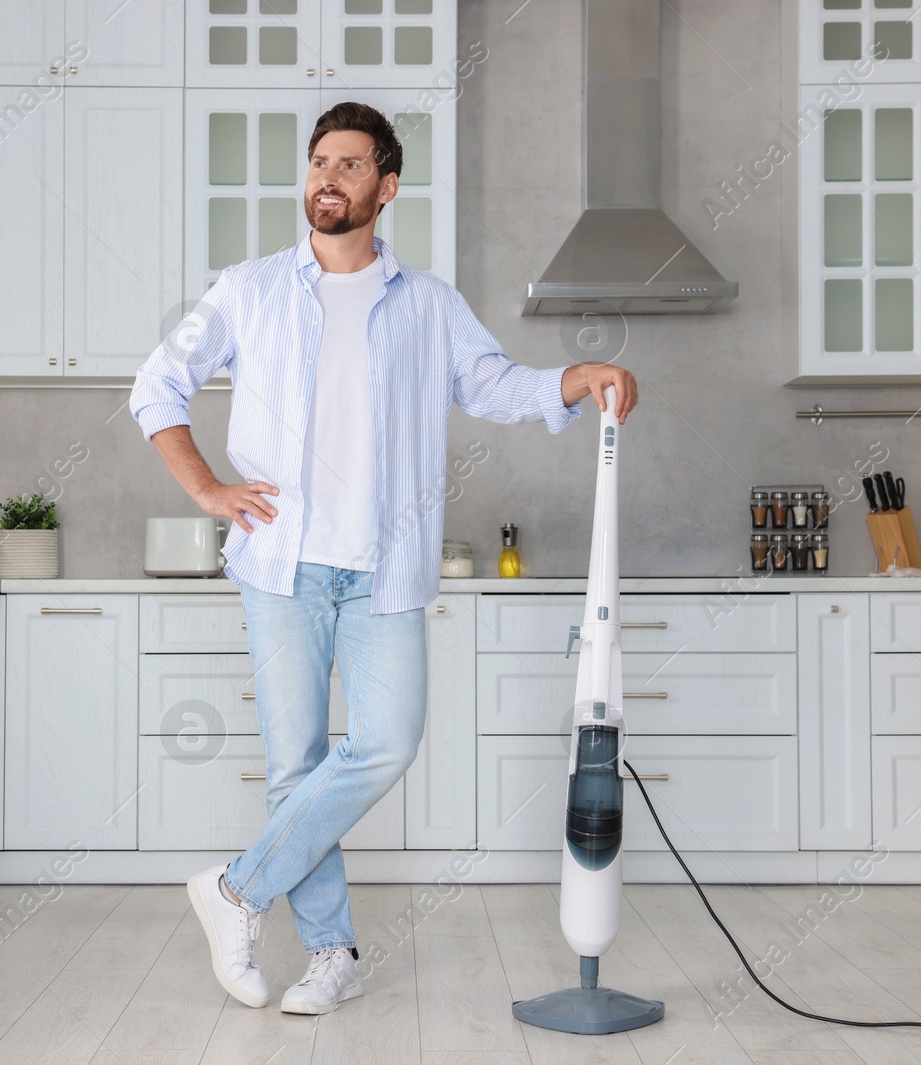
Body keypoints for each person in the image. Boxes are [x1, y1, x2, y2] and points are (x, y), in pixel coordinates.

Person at [129, 101, 638, 1015]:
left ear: (386, 186)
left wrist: (575, 378)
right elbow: (156, 385)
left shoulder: (429, 303)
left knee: (386, 742)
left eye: (350, 164)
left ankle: (236, 890)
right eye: (319, 160)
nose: (327, 176)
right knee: (296, 765)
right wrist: (208, 490)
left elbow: (494, 384)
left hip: (386, 570)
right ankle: (331, 954)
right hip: (281, 564)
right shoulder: (248, 288)